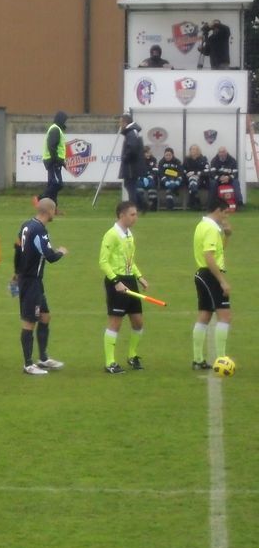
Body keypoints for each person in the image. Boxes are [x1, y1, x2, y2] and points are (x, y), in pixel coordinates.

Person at [12, 198, 68, 376]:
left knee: (45, 316)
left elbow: (17, 249)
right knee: (29, 321)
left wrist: (16, 273)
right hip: (31, 282)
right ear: (49, 211)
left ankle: (43, 358)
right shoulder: (40, 231)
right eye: (54, 210)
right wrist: (61, 252)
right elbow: (50, 256)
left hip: (30, 279)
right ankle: (28, 365)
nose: (55, 214)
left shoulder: (26, 225)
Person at [99, 201, 150, 374]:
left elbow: (130, 261)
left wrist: (139, 277)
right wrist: (116, 281)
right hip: (116, 282)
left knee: (138, 322)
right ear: (122, 215)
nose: (135, 218)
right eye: (132, 214)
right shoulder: (111, 235)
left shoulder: (129, 235)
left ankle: (132, 355)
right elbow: (103, 262)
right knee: (115, 322)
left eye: (136, 214)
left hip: (130, 281)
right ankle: (110, 362)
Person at [192, 197, 232, 371]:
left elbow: (217, 251)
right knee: (225, 316)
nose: (226, 217)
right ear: (218, 210)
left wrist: (227, 236)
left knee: (205, 315)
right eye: (225, 213)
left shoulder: (203, 225)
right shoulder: (210, 229)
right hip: (210, 275)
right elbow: (209, 257)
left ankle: (198, 360)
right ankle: (222, 360)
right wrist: (222, 281)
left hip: (203, 274)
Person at [118, 113, 146, 211]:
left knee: (131, 187)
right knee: (129, 185)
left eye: (120, 122)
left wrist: (126, 157)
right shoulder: (133, 132)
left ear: (125, 122)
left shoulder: (131, 133)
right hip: (132, 165)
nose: (119, 125)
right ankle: (143, 204)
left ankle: (134, 208)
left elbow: (132, 148)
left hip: (131, 165)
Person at [40, 111, 68, 204]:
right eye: (64, 121)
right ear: (61, 120)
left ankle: (53, 208)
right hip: (53, 161)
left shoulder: (56, 129)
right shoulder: (55, 129)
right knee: (57, 184)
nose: (65, 123)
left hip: (53, 160)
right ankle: (40, 199)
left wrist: (62, 163)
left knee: (52, 184)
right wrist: (57, 160)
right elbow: (52, 146)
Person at [183, 144, 209, 211]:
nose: (193, 151)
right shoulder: (186, 159)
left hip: (201, 179)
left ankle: (193, 201)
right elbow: (183, 170)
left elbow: (207, 171)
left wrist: (195, 173)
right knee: (192, 180)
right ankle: (196, 201)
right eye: (192, 149)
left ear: (198, 151)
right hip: (188, 179)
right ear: (190, 151)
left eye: (195, 149)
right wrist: (187, 174)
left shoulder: (203, 159)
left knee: (193, 181)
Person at [138, 146, 159, 212]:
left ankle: (152, 207)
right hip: (141, 179)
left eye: (149, 153)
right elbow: (137, 171)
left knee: (152, 188)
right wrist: (142, 178)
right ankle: (141, 206)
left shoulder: (153, 159)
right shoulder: (139, 160)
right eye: (146, 153)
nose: (148, 154)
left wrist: (150, 177)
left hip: (151, 178)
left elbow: (155, 170)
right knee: (139, 189)